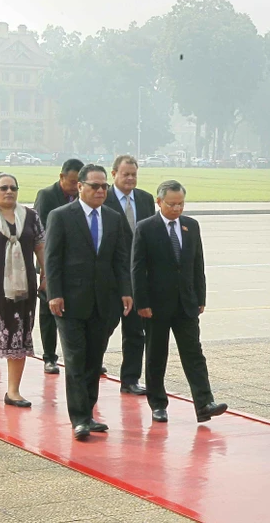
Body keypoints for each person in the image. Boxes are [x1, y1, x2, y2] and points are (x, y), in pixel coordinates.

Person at [44, 164, 132, 441]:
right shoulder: (61, 216)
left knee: (95, 359)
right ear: (79, 186)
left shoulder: (114, 218)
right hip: (69, 302)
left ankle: (89, 413)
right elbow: (52, 259)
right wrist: (54, 294)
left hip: (103, 302)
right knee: (75, 358)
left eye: (104, 186)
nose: (100, 190)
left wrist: (126, 291)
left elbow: (120, 260)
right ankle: (79, 418)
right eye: (94, 185)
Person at [131, 180, 226, 424]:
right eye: (172, 204)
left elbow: (197, 264)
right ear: (159, 202)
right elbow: (137, 269)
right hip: (156, 306)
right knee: (156, 355)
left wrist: (200, 297)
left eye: (181, 203)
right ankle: (158, 404)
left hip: (186, 304)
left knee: (194, 354)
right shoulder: (146, 228)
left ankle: (204, 403)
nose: (177, 208)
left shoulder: (191, 226)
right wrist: (142, 302)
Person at [0, 172, 45, 408]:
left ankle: (14, 391)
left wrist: (45, 274)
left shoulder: (30, 216)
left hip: (23, 287)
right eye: (3, 188)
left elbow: (40, 245)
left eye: (13, 188)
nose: (9, 192)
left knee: (19, 334)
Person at [103, 154, 156, 395]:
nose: (130, 178)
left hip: (139, 277)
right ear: (113, 174)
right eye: (125, 174)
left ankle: (130, 379)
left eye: (134, 174)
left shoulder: (145, 199)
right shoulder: (102, 198)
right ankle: (91, 369)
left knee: (136, 331)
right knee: (103, 328)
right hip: (111, 277)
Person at [33, 158, 84, 375]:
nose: (75, 187)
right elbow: (42, 231)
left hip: (78, 264)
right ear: (61, 177)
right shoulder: (47, 196)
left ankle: (81, 356)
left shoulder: (85, 196)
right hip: (52, 262)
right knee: (48, 310)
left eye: (79, 183)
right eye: (72, 182)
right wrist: (46, 268)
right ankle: (49, 357)